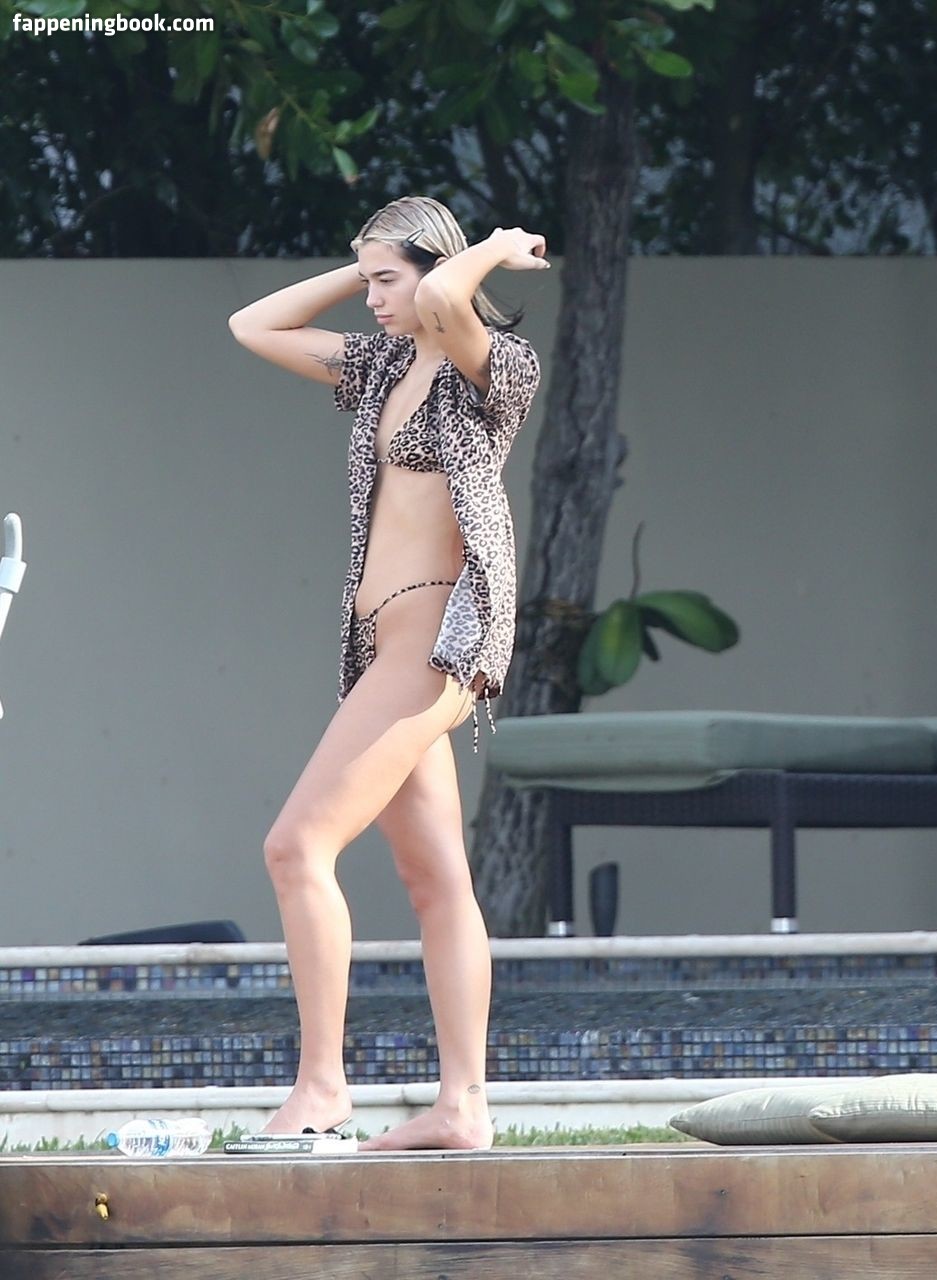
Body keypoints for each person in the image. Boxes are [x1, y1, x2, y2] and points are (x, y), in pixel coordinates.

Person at [227, 196, 545, 1150]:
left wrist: (488, 248)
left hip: (435, 644)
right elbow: (254, 325)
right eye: (365, 282)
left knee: (295, 848)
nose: (370, 299)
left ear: (436, 269)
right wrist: (366, 266)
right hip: (378, 649)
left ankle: (323, 1089)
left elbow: (447, 297)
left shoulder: (496, 369)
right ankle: (462, 1108)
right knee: (435, 878)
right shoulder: (379, 367)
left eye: (384, 281)